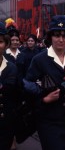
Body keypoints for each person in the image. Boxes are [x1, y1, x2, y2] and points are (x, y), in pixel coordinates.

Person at [24, 15, 65, 150]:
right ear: (50, 37)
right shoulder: (39, 60)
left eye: (64, 36)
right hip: (48, 120)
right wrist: (44, 99)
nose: (60, 39)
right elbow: (28, 87)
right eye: (56, 35)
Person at [0, 22, 18, 150]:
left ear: (6, 44)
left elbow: (18, 94)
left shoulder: (12, 68)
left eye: (0, 42)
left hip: (5, 125)